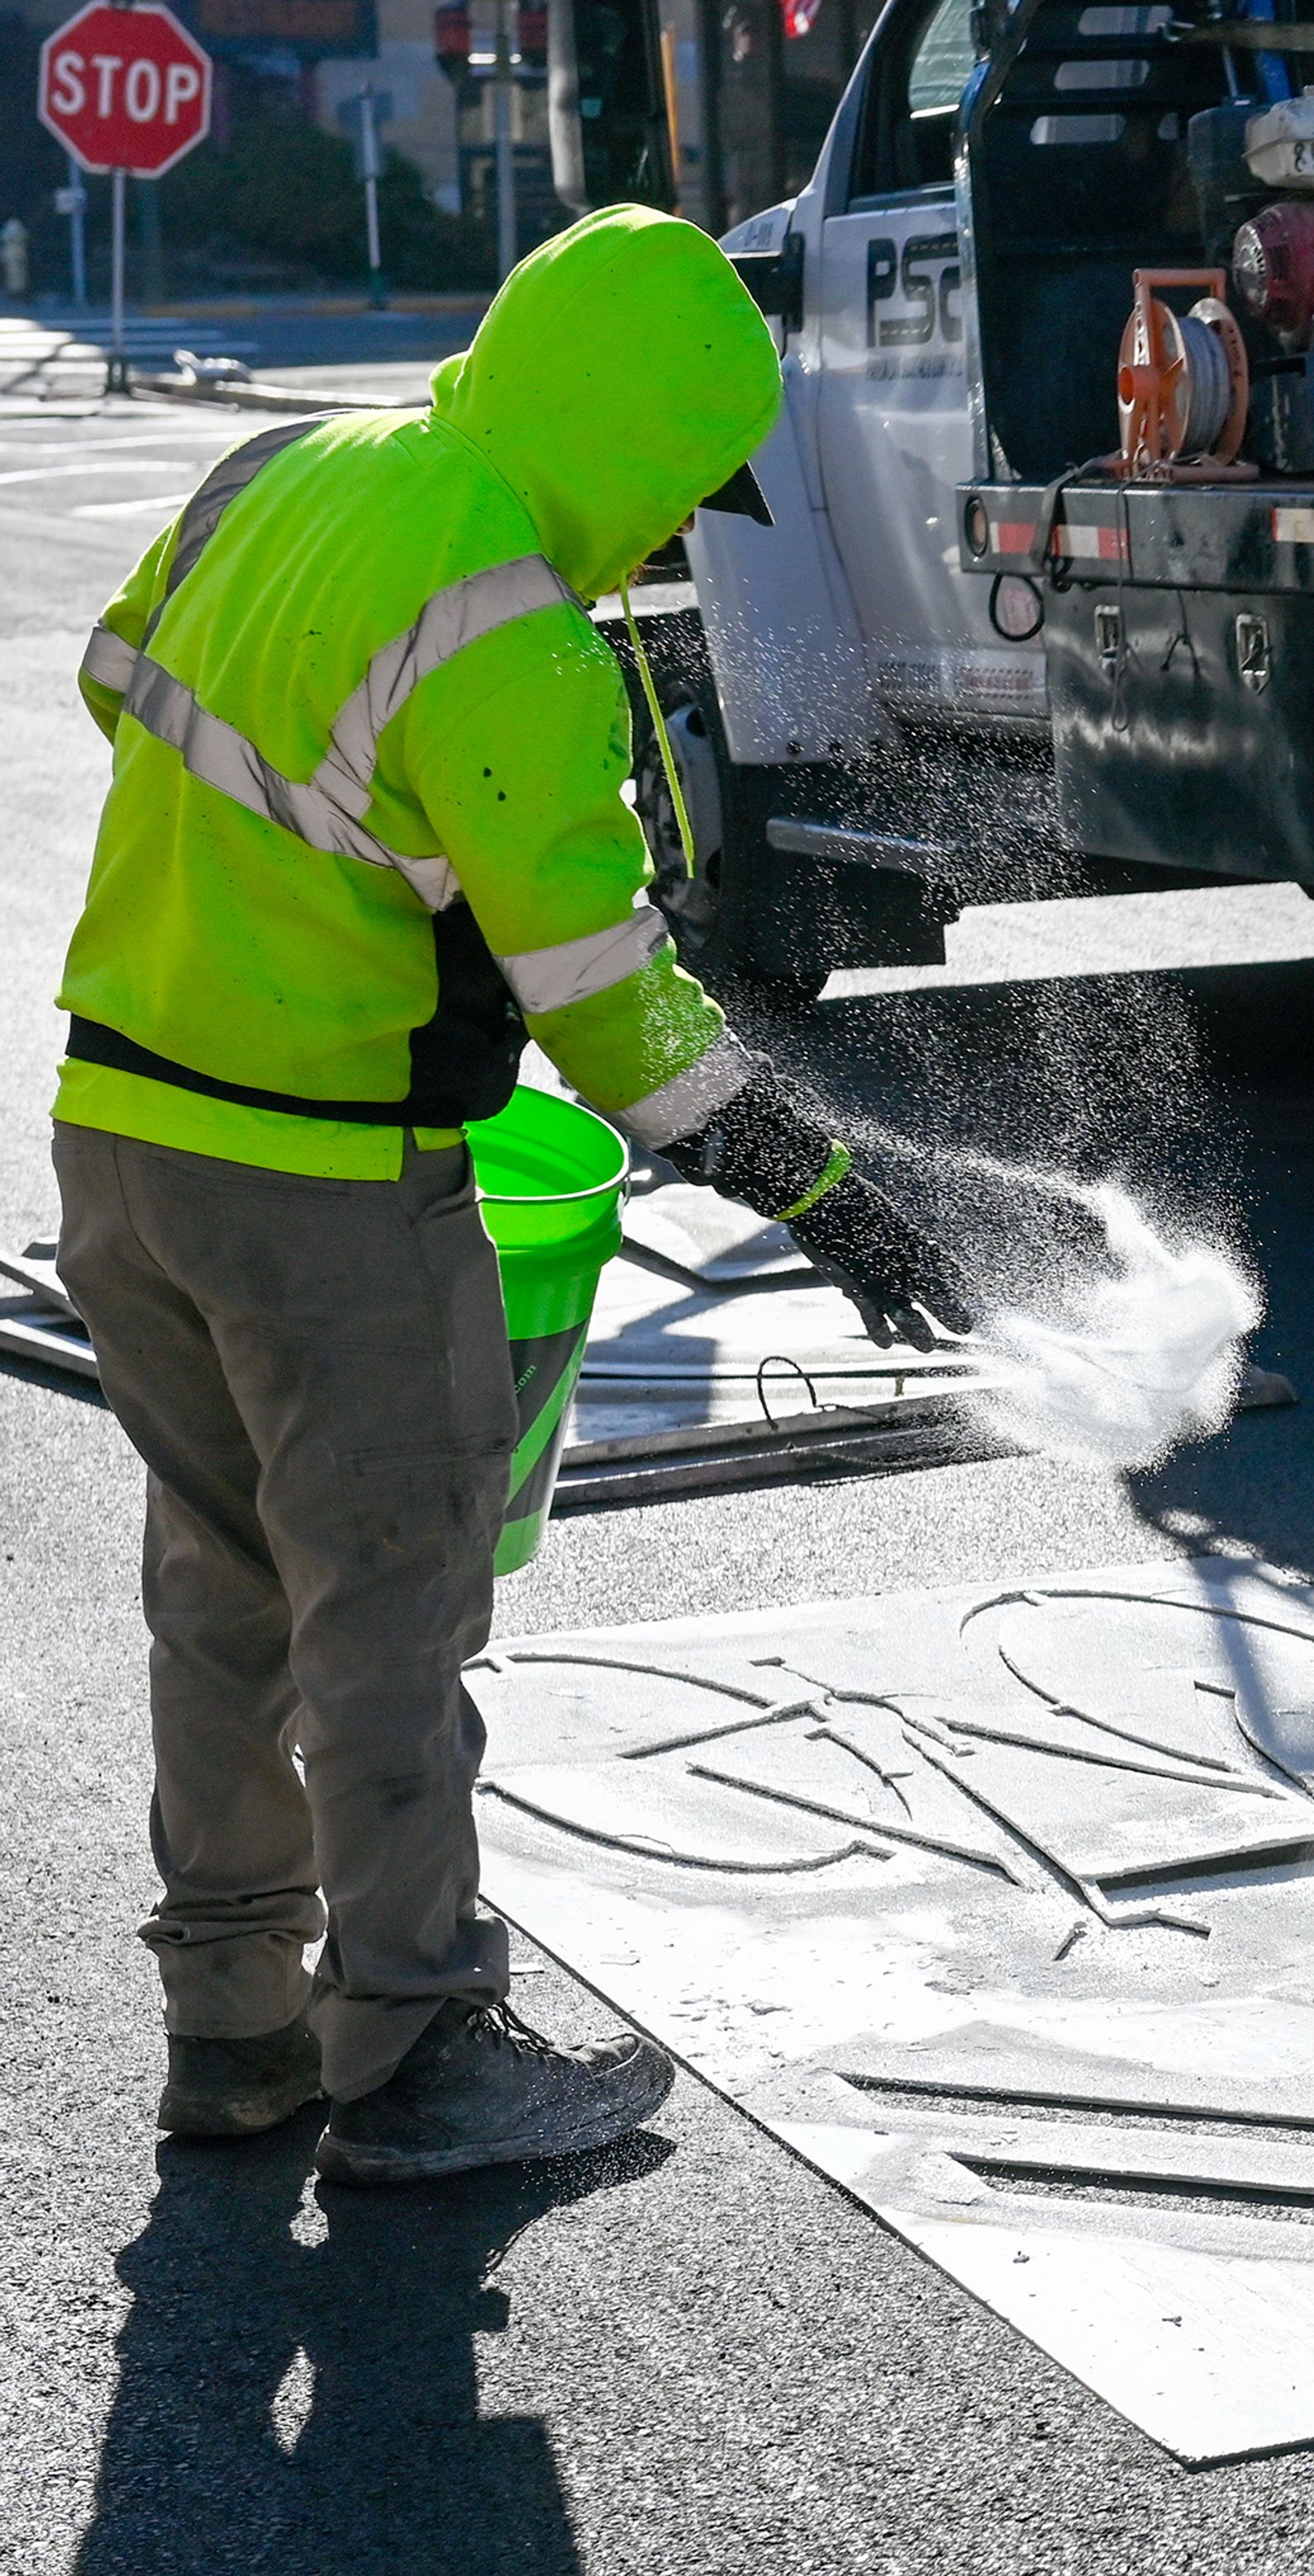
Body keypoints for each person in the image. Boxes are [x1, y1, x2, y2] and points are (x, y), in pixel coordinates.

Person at [58, 207, 982, 2186]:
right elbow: (608, 1003)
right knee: (385, 1612)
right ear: (627, 435)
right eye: (677, 490)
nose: (671, 536)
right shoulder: (505, 619)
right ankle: (416, 2051)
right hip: (318, 1182)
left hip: (116, 1133)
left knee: (219, 1595)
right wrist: (817, 1184)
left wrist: (324, 873)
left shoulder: (288, 469)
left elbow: (112, 676)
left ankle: (230, 2029)